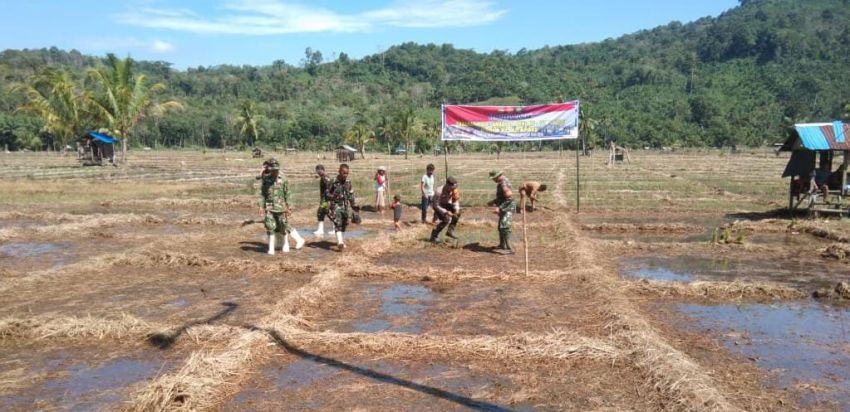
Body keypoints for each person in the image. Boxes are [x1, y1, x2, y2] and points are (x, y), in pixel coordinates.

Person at [258, 159, 305, 255]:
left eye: (276, 170)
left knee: (284, 226)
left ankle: (297, 240)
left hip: (281, 207)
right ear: (270, 170)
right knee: (270, 227)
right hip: (269, 207)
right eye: (273, 170)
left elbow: (288, 193)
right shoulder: (266, 180)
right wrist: (261, 206)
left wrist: (289, 207)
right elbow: (263, 194)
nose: (275, 172)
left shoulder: (283, 179)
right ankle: (271, 249)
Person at [327, 163, 358, 250]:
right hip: (335, 205)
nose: (345, 175)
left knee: (344, 224)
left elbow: (351, 195)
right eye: (344, 173)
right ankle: (340, 242)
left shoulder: (348, 182)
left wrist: (353, 205)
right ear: (339, 171)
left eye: (347, 173)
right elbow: (327, 193)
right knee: (338, 223)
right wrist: (331, 198)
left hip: (345, 206)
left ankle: (341, 241)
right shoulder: (333, 181)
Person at [489, 170, 515, 254]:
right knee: (501, 227)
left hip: (507, 208)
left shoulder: (503, 184)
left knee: (505, 227)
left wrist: (499, 208)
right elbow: (502, 197)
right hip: (504, 208)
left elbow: (509, 197)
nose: (493, 180)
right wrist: (494, 201)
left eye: (493, 178)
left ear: (498, 176)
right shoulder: (502, 183)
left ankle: (510, 249)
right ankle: (502, 245)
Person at [430, 177, 460, 243]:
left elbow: (455, 201)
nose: (453, 189)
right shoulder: (439, 191)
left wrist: (456, 209)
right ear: (447, 185)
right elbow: (435, 205)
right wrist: (446, 212)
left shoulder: (453, 190)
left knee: (457, 214)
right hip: (438, 206)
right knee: (446, 219)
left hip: (445, 204)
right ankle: (434, 236)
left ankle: (450, 231)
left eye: (454, 188)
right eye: (452, 188)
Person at [312, 164, 335, 238]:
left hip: (326, 199)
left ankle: (333, 229)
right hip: (325, 199)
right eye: (317, 171)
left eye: (318, 171)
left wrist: (328, 200)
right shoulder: (325, 177)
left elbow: (328, 189)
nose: (317, 173)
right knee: (322, 213)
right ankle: (321, 229)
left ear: (321, 170)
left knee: (324, 212)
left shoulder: (325, 178)